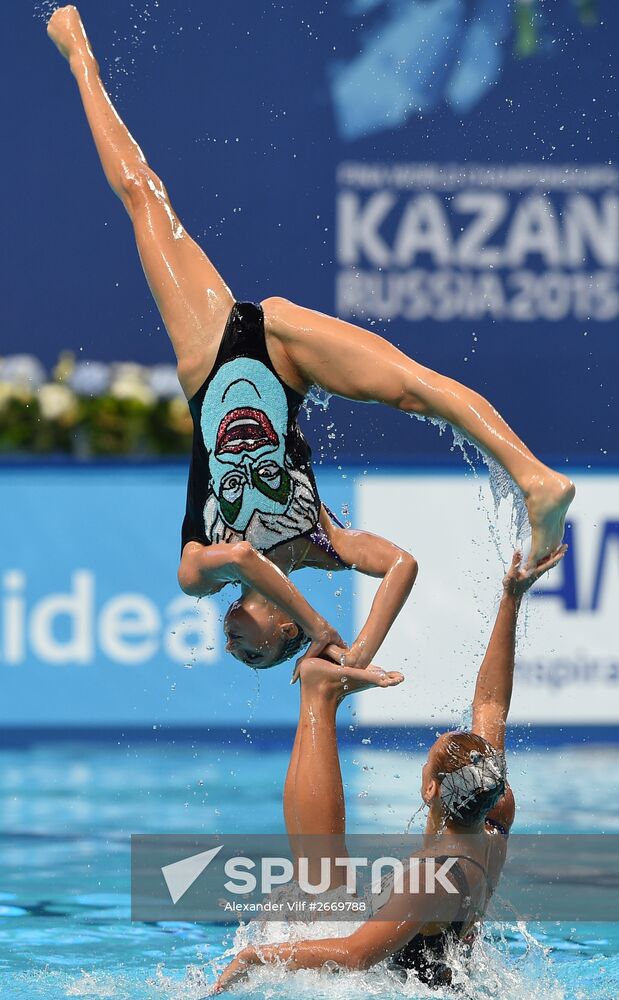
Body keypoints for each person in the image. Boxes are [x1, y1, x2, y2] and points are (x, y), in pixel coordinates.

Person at [47, 6, 574, 669]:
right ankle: (535, 477)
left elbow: (239, 555)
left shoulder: (199, 575)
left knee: (143, 194)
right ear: (285, 638)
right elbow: (403, 565)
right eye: (253, 654)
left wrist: (320, 626)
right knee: (414, 389)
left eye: (234, 650)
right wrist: (354, 655)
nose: (231, 643)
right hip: (284, 362)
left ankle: (79, 57)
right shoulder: (319, 545)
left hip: (212, 360)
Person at [214, 545, 565, 991]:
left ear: (431, 790)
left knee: (321, 890)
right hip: (430, 972)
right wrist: (511, 598)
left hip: (373, 972)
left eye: (430, 756)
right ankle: (318, 695)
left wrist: (256, 956)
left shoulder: (429, 879)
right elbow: (491, 705)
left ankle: (319, 696)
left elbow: (356, 955)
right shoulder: (492, 821)